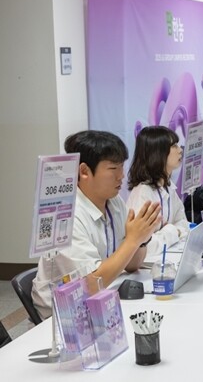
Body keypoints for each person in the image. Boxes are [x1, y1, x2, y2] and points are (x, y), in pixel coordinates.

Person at [32, 131, 161, 318]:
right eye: (113, 168)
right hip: (63, 317)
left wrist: (141, 239)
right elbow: (90, 286)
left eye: (122, 167)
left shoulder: (113, 202)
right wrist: (132, 240)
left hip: (100, 302)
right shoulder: (65, 217)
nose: (121, 176)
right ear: (84, 171)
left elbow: (132, 265)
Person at [126, 126, 189, 257]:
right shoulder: (143, 192)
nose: (180, 150)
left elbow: (183, 224)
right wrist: (172, 231)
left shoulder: (167, 186)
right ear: (157, 153)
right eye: (174, 146)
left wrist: (170, 232)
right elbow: (144, 247)